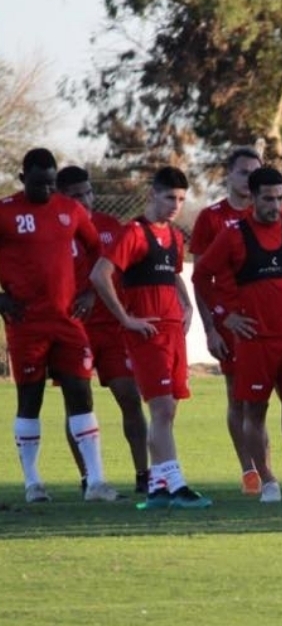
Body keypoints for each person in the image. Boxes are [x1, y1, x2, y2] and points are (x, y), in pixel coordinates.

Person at [193, 167, 282, 503]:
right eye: (268, 199)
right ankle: (267, 480)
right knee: (254, 411)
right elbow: (201, 276)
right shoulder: (233, 234)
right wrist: (226, 317)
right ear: (252, 198)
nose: (276, 206)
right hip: (255, 342)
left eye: (280, 198)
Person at [0, 148, 118, 503]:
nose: (47, 190)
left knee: (81, 392)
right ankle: (32, 482)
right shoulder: (6, 211)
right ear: (23, 179)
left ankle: (96, 481)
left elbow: (98, 250)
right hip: (26, 322)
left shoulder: (71, 210)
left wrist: (91, 294)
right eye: (39, 184)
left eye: (51, 184)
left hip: (68, 320)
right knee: (30, 398)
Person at [90, 166, 211, 510]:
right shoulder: (134, 233)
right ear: (152, 195)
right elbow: (100, 275)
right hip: (147, 334)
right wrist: (125, 319)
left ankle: (158, 488)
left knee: (168, 412)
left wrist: (187, 304)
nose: (175, 205)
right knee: (161, 408)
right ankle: (177, 485)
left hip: (173, 332)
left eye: (181, 199)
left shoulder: (174, 236)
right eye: (170, 197)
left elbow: (173, 275)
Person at [57, 166, 149, 494]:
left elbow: (126, 269)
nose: (85, 200)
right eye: (76, 196)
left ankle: (144, 475)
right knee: (77, 404)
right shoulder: (54, 229)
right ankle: (89, 478)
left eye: (88, 192)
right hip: (73, 328)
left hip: (112, 328)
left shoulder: (110, 226)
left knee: (130, 396)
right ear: (61, 198)